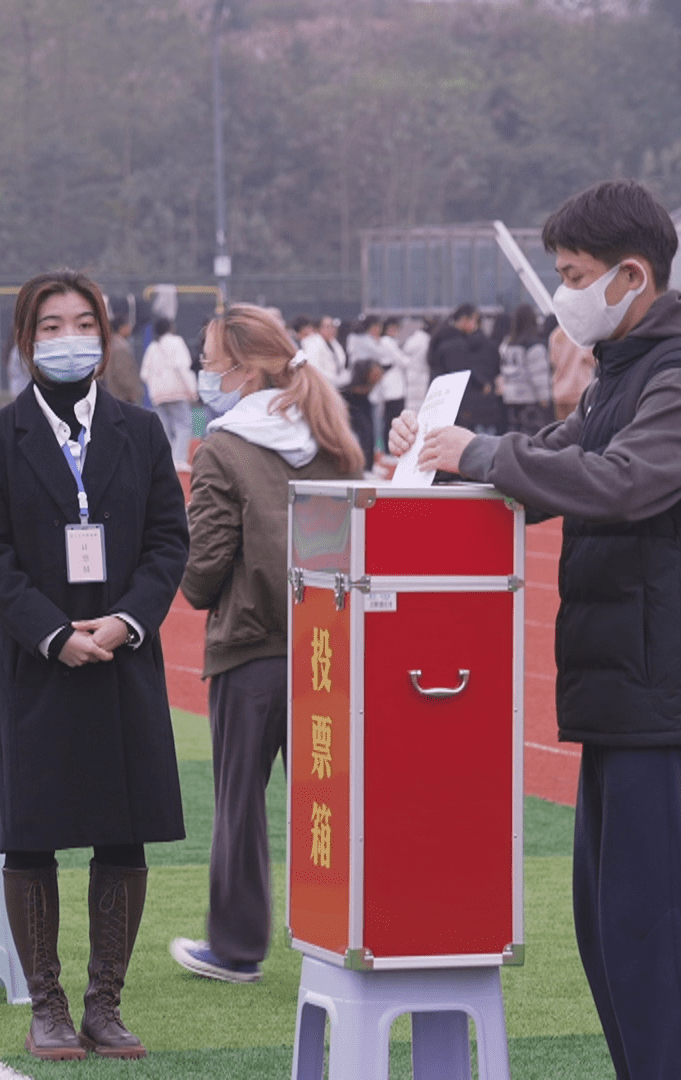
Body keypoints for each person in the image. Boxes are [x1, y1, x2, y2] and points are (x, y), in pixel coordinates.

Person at [392, 179, 681, 1080]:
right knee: (617, 932)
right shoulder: (628, 368)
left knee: (664, 941)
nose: (565, 293)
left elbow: (624, 480)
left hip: (669, 697)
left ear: (633, 276)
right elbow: (559, 457)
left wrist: (479, 455)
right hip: (624, 695)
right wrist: (447, 452)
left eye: (576, 274)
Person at [0, 269, 189, 1062]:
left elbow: (169, 542)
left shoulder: (141, 431)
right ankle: (48, 1008)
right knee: (35, 834)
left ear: (106, 333)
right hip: (40, 663)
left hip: (124, 658)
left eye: (81, 322)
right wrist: (56, 634)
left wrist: (126, 622)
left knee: (123, 833)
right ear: (25, 341)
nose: (67, 339)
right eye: (49, 326)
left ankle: (104, 1005)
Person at [167, 304, 362, 985]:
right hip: (331, 648)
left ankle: (237, 947)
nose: (203, 372)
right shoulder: (331, 435)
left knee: (240, 804)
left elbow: (201, 574)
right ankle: (350, 935)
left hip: (250, 652)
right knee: (335, 802)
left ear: (245, 371)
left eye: (210, 360)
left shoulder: (222, 448)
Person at [428, 303, 505, 434]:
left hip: (439, 397)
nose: (475, 325)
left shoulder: (442, 337)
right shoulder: (457, 344)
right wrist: (482, 383)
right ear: (464, 319)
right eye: (474, 320)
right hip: (454, 403)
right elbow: (462, 371)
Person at [140, 316, 197, 472]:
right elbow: (182, 367)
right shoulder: (176, 342)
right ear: (170, 327)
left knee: (165, 427)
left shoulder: (152, 347)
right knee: (184, 425)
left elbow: (144, 374)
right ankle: (179, 459)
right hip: (177, 392)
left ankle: (168, 460)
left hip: (158, 394)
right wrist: (192, 389)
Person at [498, 305, 555, 434]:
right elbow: (539, 375)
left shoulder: (507, 345)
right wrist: (544, 397)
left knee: (514, 436)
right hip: (530, 399)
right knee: (533, 437)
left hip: (510, 398)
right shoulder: (534, 346)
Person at [340, 316, 384, 464]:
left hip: (365, 397)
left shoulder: (363, 342)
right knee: (364, 431)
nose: (378, 331)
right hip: (354, 395)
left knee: (370, 430)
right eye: (375, 327)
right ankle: (365, 466)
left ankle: (369, 465)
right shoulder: (361, 344)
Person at [370, 316, 407, 462]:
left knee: (394, 419)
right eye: (392, 327)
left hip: (395, 385)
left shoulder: (389, 342)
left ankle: (390, 450)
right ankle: (388, 450)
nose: (394, 331)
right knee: (391, 420)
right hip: (391, 387)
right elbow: (402, 361)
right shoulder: (386, 342)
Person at [103, 312, 144, 407]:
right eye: (128, 325)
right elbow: (123, 372)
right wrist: (132, 391)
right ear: (122, 328)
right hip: (124, 396)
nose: (130, 328)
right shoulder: (120, 346)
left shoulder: (112, 344)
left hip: (116, 394)